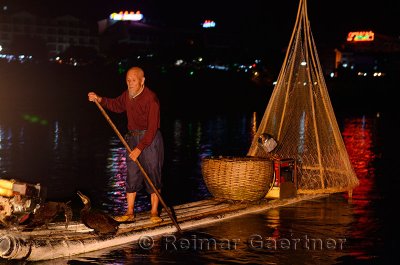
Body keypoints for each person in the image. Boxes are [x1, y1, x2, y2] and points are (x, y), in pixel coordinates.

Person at [88, 66, 164, 223]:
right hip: (132, 139)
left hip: (150, 141)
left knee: (152, 174)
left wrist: (140, 147)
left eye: (133, 80)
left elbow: (152, 128)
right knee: (132, 174)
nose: (130, 83)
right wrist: (100, 99)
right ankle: (129, 211)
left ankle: (154, 212)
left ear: (142, 81)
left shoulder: (151, 98)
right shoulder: (128, 95)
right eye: (128, 80)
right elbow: (116, 105)